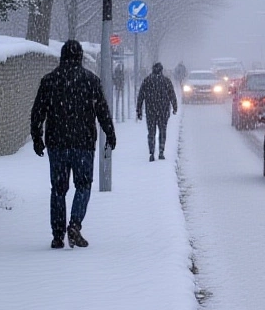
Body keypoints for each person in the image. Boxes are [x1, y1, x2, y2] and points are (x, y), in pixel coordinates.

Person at [30, 40, 116, 250]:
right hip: (83, 142)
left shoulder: (50, 80)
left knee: (58, 189)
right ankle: (75, 224)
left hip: (57, 142)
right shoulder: (91, 81)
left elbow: (37, 112)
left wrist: (37, 137)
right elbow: (102, 111)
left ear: (62, 56)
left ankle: (58, 235)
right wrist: (110, 133)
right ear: (79, 57)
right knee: (83, 185)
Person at [137, 62, 178, 162]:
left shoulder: (147, 81)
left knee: (151, 132)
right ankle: (161, 151)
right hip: (163, 111)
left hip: (150, 111)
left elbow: (141, 96)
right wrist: (174, 106)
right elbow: (172, 94)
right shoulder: (166, 81)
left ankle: (151, 152)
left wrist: (139, 110)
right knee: (162, 131)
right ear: (161, 70)